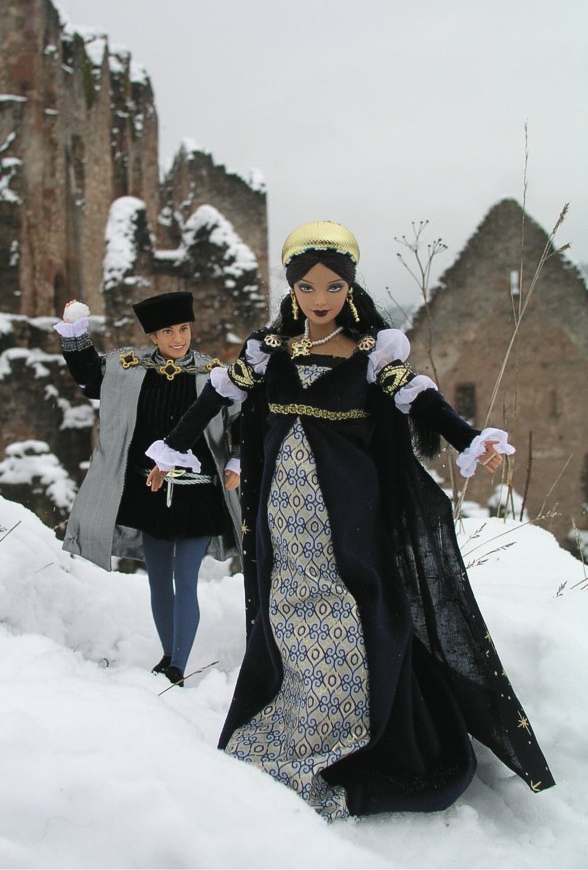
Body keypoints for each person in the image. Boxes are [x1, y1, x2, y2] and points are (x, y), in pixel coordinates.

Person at [146, 221, 555, 819]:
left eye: (333, 288)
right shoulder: (270, 350)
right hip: (283, 508)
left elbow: (421, 399)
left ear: (349, 290)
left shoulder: (371, 355)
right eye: (308, 288)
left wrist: (469, 440)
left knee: (352, 606)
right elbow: (215, 400)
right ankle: (289, 726)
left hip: (349, 509)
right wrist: (171, 450)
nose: (319, 300)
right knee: (287, 610)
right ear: (291, 289)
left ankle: (352, 735)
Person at [55, 291, 241, 687]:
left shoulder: (213, 373)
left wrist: (238, 459)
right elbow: (90, 378)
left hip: (198, 493)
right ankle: (168, 656)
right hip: (149, 493)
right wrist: (75, 334)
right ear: (153, 336)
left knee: (186, 579)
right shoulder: (129, 368)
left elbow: (241, 417)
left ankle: (178, 666)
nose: (178, 339)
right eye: (168, 332)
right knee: (159, 579)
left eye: (184, 329)